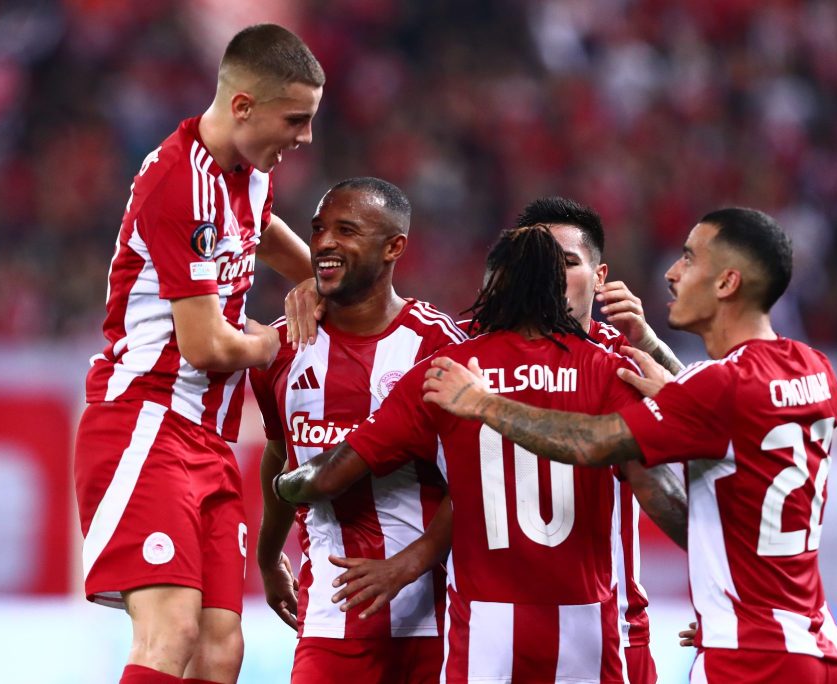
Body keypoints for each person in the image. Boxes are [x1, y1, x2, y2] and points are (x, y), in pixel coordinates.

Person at [424, 208, 837, 683]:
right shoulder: (814, 369)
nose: (672, 273)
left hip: (749, 655)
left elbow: (592, 443)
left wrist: (483, 403)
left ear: (727, 283)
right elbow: (725, 412)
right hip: (816, 644)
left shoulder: (716, 386)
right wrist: (654, 351)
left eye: (689, 258)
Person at [274, 225, 686, 682]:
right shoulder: (611, 371)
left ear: (491, 287)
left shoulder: (445, 372)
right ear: (558, 288)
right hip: (588, 633)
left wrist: (285, 480)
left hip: (485, 639)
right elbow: (659, 493)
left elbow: (326, 477)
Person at [73, 25, 325, 684]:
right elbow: (207, 344)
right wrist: (278, 339)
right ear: (243, 106)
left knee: (220, 650)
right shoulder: (179, 183)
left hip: (208, 440)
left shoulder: (246, 173)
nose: (305, 137)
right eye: (294, 119)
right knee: (172, 632)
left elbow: (260, 229)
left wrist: (327, 281)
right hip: (145, 421)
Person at [250, 177, 465, 683]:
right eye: (318, 229)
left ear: (394, 247)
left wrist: (406, 565)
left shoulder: (438, 346)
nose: (324, 242)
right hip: (330, 614)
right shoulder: (280, 348)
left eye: (346, 231)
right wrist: (268, 558)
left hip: (434, 613)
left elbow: (477, 480)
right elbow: (282, 455)